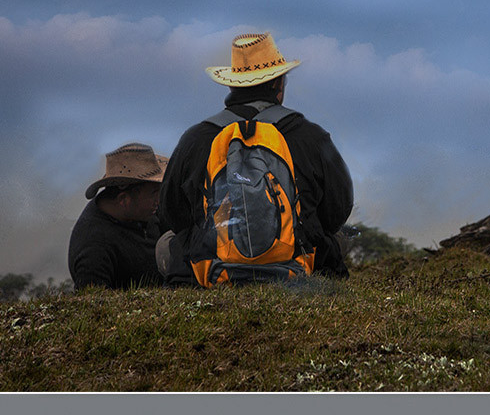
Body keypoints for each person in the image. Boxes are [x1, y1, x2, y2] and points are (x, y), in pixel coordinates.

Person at [157, 32, 353, 285]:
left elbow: (172, 214)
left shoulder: (196, 138)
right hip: (300, 270)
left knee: (165, 243)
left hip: (210, 271)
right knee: (341, 236)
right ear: (278, 84)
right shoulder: (312, 136)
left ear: (231, 85)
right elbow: (337, 211)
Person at [68, 143, 168, 290]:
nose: (159, 201)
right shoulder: (94, 249)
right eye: (154, 194)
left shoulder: (143, 210)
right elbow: (96, 306)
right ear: (124, 200)